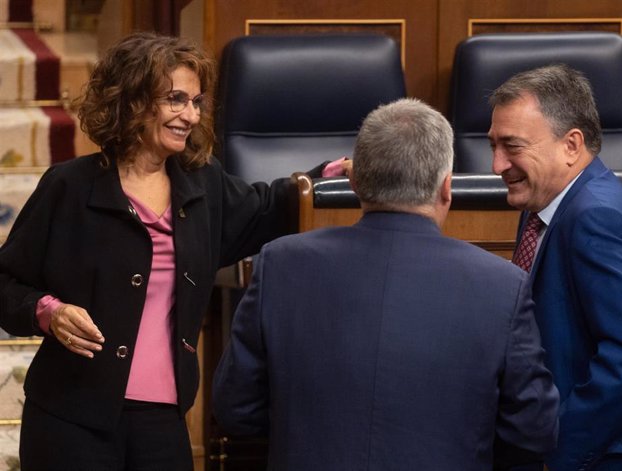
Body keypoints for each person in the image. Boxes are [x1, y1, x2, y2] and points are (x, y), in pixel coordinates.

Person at [0, 31, 345, 470]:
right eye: (176, 99)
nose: (190, 115)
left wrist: (332, 179)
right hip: (69, 417)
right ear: (133, 101)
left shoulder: (204, 184)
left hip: (162, 419)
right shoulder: (68, 187)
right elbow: (6, 283)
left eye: (197, 102)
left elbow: (270, 207)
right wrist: (48, 312)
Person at [212, 98, 560, 471]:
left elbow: (236, 409)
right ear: (447, 188)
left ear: (355, 182)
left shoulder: (280, 265)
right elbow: (534, 429)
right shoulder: (502, 286)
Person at [488, 64, 622, 471]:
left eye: (512, 146)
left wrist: (561, 443)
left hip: (605, 458)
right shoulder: (545, 202)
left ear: (571, 145)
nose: (497, 165)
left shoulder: (596, 216)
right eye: (493, 146)